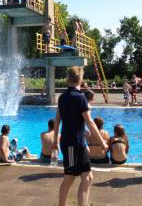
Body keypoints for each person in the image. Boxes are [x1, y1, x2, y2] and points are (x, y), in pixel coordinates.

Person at [53, 66, 107, 206]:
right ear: (80, 79)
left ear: (68, 79)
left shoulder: (62, 97)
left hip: (76, 143)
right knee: (70, 177)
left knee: (87, 177)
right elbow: (89, 122)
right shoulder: (80, 98)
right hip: (73, 144)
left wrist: (55, 142)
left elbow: (57, 120)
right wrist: (102, 142)